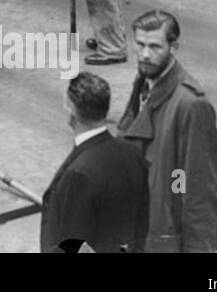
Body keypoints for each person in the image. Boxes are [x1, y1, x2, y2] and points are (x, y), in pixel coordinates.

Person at [117, 9, 217, 253]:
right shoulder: (145, 81)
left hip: (164, 236)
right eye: (140, 44)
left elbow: (199, 190)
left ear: (173, 47)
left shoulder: (191, 105)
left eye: (155, 47)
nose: (145, 54)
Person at [41, 72, 149, 254]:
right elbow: (143, 220)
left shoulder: (78, 175)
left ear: (71, 111)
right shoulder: (132, 154)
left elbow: (70, 243)